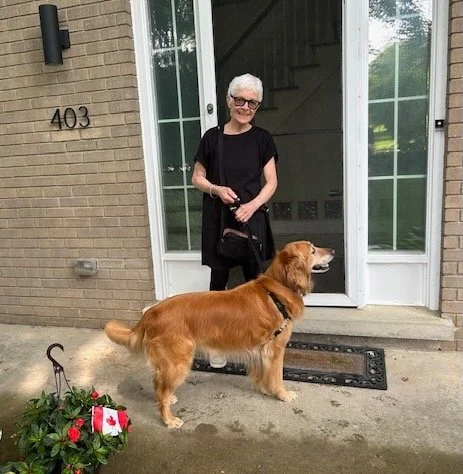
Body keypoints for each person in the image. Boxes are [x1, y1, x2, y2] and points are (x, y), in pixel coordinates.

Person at [192, 73, 278, 368]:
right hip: (219, 220)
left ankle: (260, 340)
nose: (245, 107)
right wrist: (216, 189)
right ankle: (216, 344)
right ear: (229, 101)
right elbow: (197, 178)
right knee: (218, 287)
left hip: (250, 220)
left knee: (258, 285)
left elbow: (271, 183)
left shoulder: (263, 138)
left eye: (251, 103)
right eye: (240, 100)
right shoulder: (212, 138)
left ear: (257, 105)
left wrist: (252, 206)